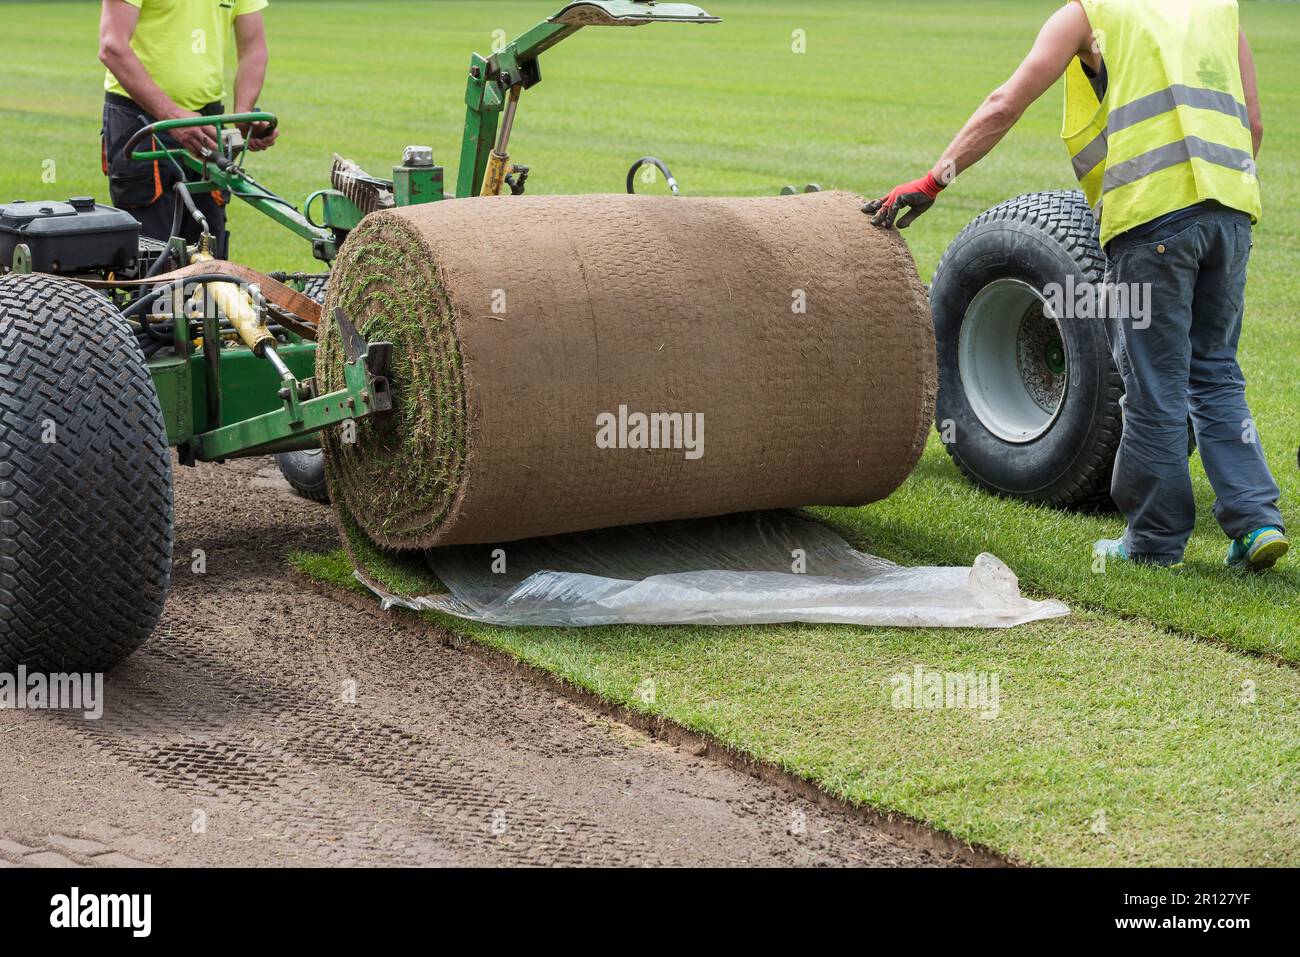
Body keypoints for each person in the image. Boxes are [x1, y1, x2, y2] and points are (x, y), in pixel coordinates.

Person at [865, 0, 1286, 572]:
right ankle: (1257, 521)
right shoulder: (1218, 9)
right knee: (1213, 372)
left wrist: (933, 181)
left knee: (1154, 383)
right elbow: (1253, 124)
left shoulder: (1088, 14)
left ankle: (1154, 543)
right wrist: (1214, 205)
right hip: (1231, 217)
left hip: (1153, 223)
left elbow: (1004, 103)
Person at [98, 0, 279, 256]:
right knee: (151, 256)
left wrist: (243, 114)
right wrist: (171, 114)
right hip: (142, 119)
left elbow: (254, 49)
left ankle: (202, 297)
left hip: (206, 123)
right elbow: (112, 47)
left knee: (209, 254)